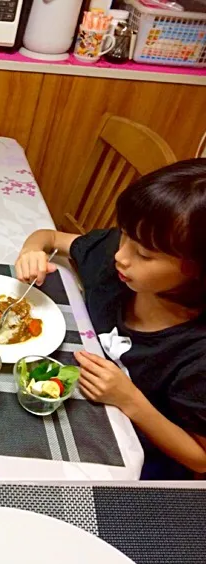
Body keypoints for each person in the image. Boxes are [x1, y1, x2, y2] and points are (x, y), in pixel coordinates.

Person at [15, 159, 206, 479]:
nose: (122, 255)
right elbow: (49, 237)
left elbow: (200, 460)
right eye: (124, 235)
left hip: (142, 458)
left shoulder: (196, 358)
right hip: (73, 404)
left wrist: (129, 399)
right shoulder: (114, 261)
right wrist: (31, 251)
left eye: (144, 254)